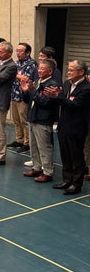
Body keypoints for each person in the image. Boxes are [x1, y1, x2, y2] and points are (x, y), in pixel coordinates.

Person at [46, 59, 90, 195]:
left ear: (81, 72)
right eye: (69, 69)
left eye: (71, 70)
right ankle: (67, 180)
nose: (68, 72)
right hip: (63, 125)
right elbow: (63, 101)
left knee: (76, 157)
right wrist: (53, 95)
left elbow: (75, 105)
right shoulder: (66, 84)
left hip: (77, 127)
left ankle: (76, 184)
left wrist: (58, 96)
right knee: (65, 156)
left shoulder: (86, 88)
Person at [19, 59, 60, 183]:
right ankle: (36, 168)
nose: (39, 70)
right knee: (34, 146)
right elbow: (30, 99)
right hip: (33, 117)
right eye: (39, 68)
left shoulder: (52, 84)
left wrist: (32, 90)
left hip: (43, 119)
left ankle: (47, 172)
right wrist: (26, 91)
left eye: (42, 69)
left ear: (50, 71)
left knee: (44, 148)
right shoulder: (37, 81)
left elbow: (44, 102)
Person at [8, 43, 37, 153]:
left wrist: (14, 74)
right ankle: (19, 140)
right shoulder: (16, 63)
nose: (18, 53)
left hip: (23, 96)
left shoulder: (32, 64)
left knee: (24, 120)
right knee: (16, 120)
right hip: (14, 95)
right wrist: (17, 75)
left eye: (21, 51)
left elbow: (26, 78)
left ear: (27, 53)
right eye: (17, 50)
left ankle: (27, 143)